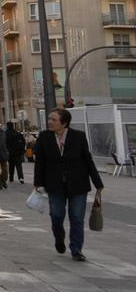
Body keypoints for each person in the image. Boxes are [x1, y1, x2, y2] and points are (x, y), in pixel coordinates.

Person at [34, 108, 104, 261]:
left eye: (54, 120)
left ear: (64, 123)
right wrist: (37, 183)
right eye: (49, 119)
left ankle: (76, 249)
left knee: (77, 217)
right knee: (57, 215)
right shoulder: (44, 137)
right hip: (54, 184)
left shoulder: (78, 136)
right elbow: (40, 161)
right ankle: (59, 237)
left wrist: (98, 183)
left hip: (78, 184)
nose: (50, 122)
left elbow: (87, 159)